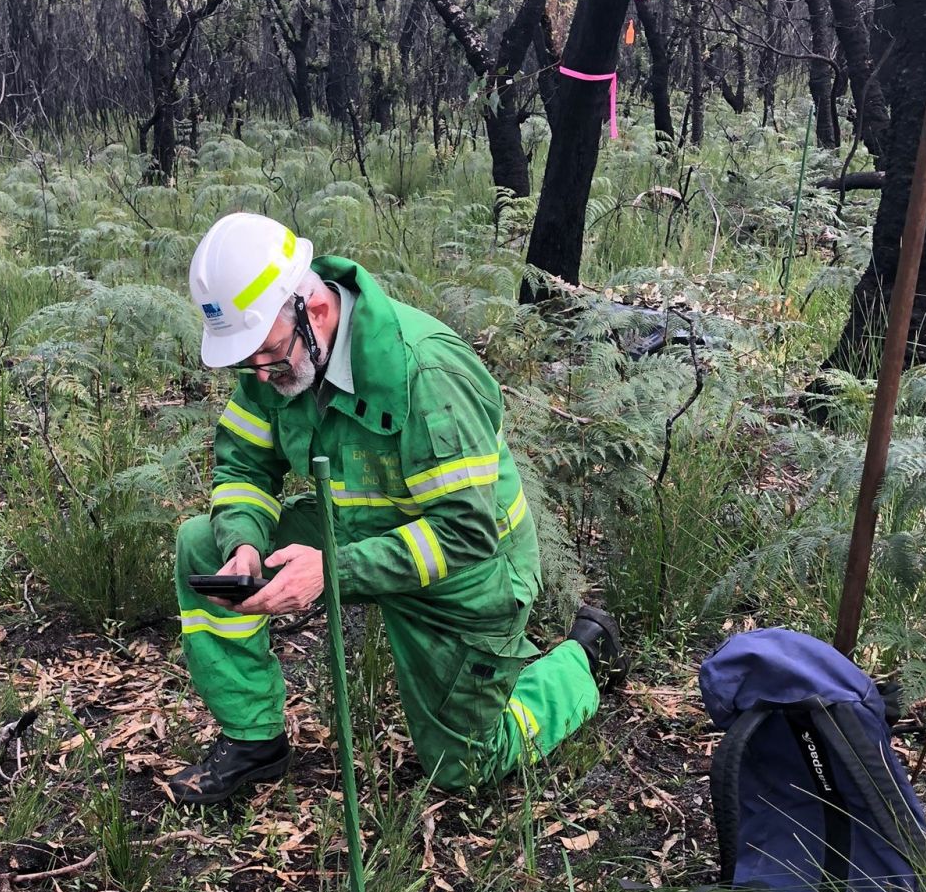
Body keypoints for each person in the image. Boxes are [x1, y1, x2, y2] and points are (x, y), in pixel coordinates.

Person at [165, 211, 625, 805]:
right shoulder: (275, 356)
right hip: (354, 533)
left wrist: (332, 570)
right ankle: (254, 739)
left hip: (466, 573)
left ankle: (581, 658)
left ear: (317, 311)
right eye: (246, 360)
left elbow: (465, 533)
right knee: (202, 542)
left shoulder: (425, 371)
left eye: (269, 355)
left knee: (465, 770)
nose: (259, 372)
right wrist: (244, 544)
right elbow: (245, 466)